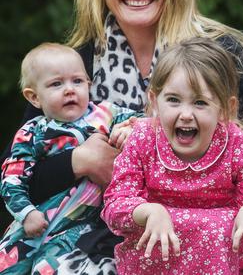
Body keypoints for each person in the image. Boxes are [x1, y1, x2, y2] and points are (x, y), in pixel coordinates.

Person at [0, 0, 243, 273]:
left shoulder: (220, 56)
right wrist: (80, 161)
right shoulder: (74, 67)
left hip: (202, 238)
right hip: (88, 236)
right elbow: (18, 170)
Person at [101, 37, 243, 274]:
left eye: (200, 103)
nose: (186, 114)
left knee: (227, 223)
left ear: (225, 108)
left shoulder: (237, 145)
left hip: (218, 262)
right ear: (155, 101)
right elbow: (115, 205)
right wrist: (148, 211)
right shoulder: (143, 138)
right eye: (174, 100)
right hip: (152, 262)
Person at [0, 43, 140, 274]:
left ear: (89, 84)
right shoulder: (33, 132)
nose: (69, 90)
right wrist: (25, 212)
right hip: (30, 226)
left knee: (51, 269)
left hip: (78, 230)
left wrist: (130, 128)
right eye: (57, 84)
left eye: (77, 81)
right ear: (34, 97)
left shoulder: (106, 114)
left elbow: (143, 121)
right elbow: (11, 177)